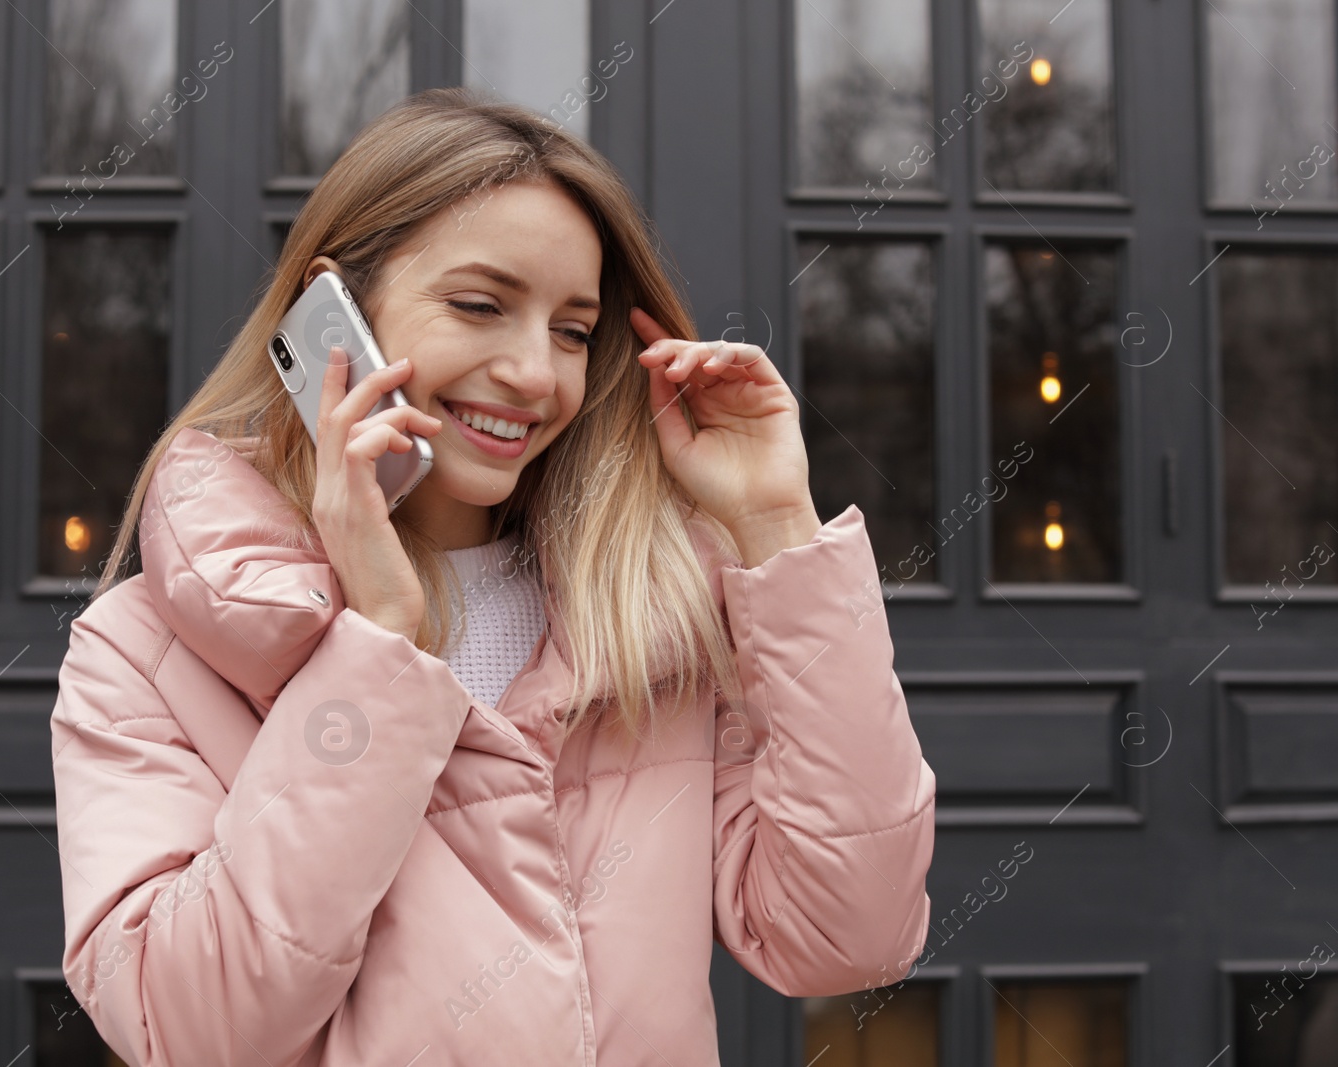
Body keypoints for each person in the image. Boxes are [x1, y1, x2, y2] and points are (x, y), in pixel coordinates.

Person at [49, 85, 936, 1066]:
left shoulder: (657, 616)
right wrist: (379, 638)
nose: (534, 373)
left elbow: (851, 935)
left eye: (570, 329)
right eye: (480, 305)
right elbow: (190, 1026)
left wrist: (774, 524)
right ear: (328, 311)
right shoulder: (146, 651)